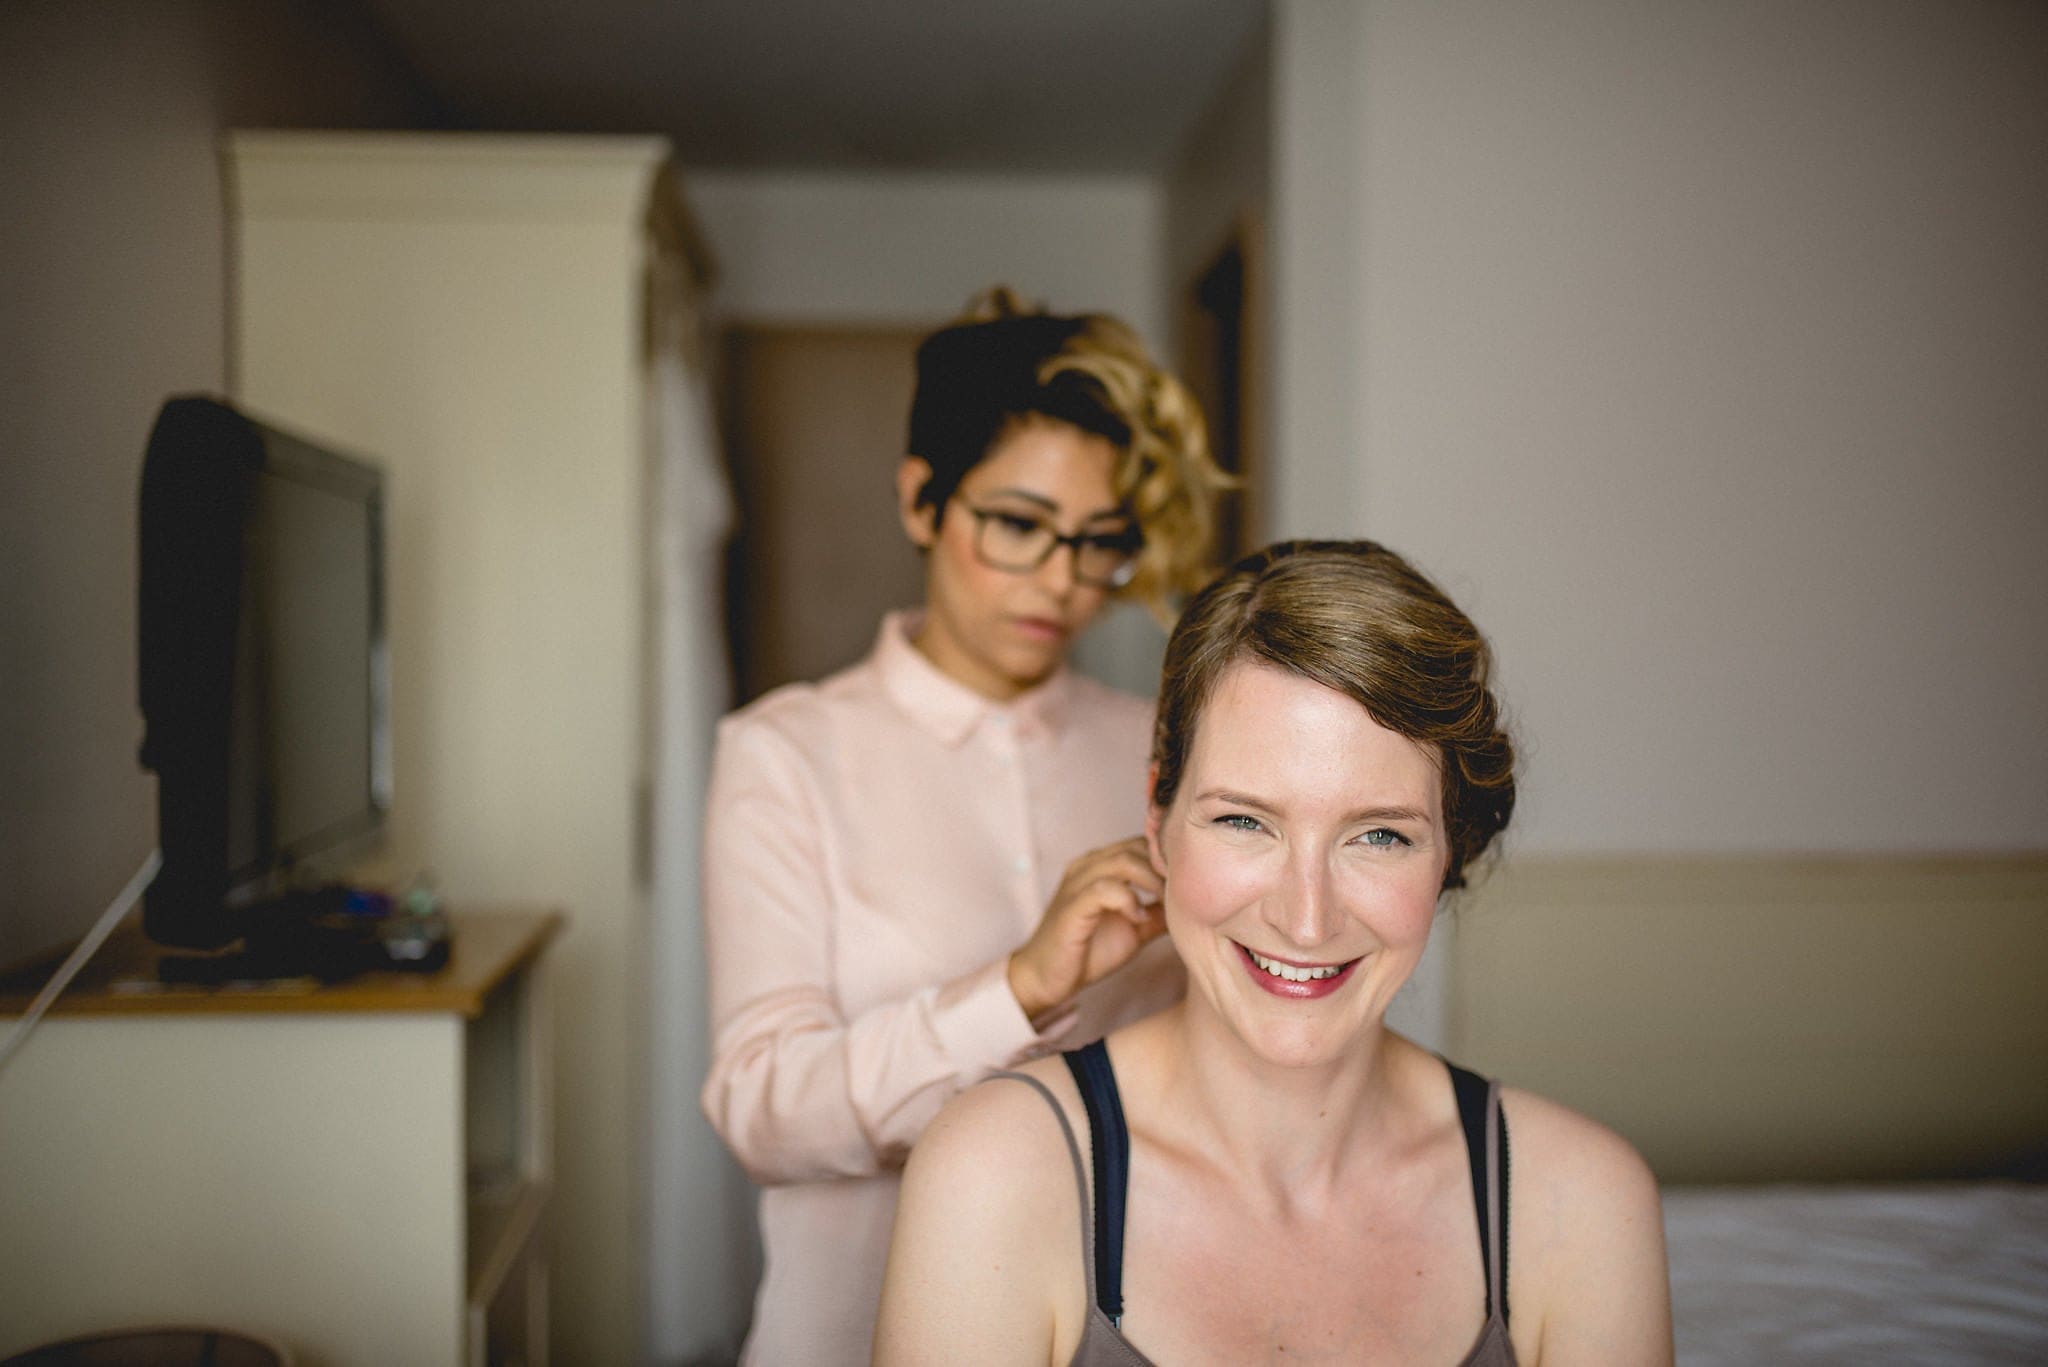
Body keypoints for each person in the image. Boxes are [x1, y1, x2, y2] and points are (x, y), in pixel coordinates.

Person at [875, 540, 1674, 1365]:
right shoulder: (997, 1174)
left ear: (1449, 854)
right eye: (1245, 820)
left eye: (1379, 835)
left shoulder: (1582, 1204)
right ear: (1158, 817)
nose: (1305, 917)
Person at [700, 288, 1230, 1363]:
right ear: (922, 502)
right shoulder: (784, 753)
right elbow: (760, 1106)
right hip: (849, 1331)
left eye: (1098, 543)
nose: (1060, 580)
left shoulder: (1165, 752)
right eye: (1018, 525)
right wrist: (1019, 986)